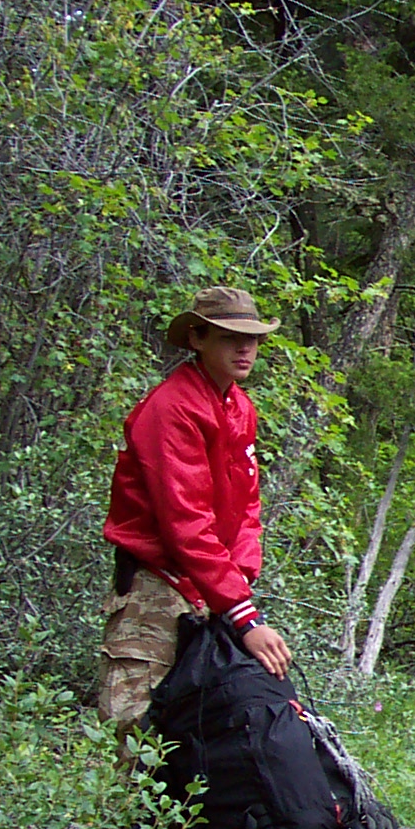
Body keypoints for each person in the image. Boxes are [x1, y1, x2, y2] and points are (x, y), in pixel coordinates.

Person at [97, 286, 292, 731]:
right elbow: (185, 521)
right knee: (135, 730)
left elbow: (246, 509)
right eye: (228, 337)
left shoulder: (239, 409)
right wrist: (243, 616)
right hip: (155, 588)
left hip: (209, 590)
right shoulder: (170, 408)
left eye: (254, 338)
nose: (245, 348)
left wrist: (237, 582)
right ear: (197, 339)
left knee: (201, 733)